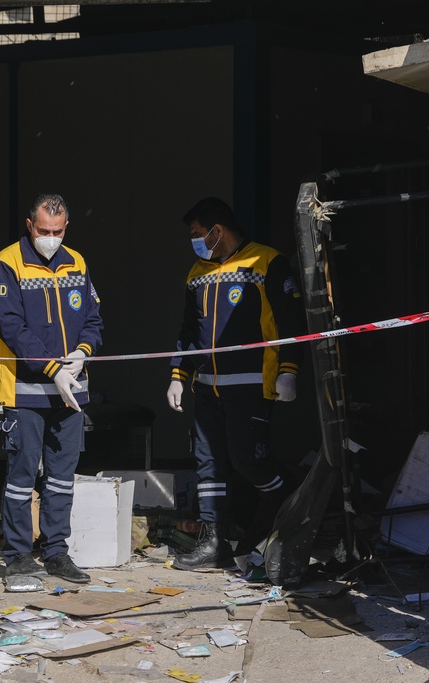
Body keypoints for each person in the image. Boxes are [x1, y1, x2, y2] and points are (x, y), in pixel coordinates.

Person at [166, 197, 306, 570]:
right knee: (209, 465)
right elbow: (188, 331)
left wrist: (289, 369)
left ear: (218, 231)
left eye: (197, 234)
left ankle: (292, 499)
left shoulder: (268, 262)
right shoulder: (197, 272)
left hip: (252, 384)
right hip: (207, 388)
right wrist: (179, 375)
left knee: (248, 460)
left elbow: (291, 322)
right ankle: (215, 544)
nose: (194, 241)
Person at [0, 193, 104, 583]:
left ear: (66, 227)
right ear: (29, 226)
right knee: (21, 476)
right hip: (24, 389)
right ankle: (18, 556)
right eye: (42, 231)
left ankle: (56, 553)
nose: (49, 237)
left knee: (61, 477)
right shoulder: (7, 263)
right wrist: (52, 367)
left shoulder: (79, 262)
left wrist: (83, 353)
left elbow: (93, 317)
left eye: (56, 231)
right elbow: (12, 327)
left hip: (71, 389)